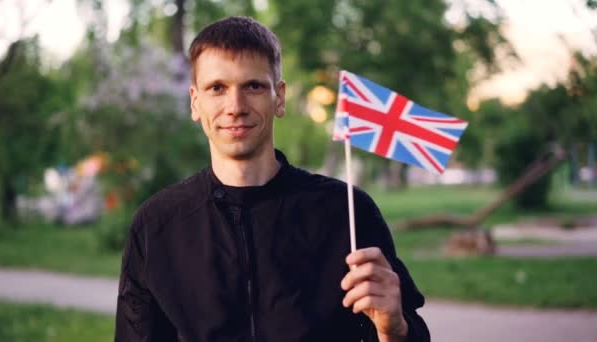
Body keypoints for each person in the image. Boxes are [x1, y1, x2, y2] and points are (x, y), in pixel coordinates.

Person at [115, 16, 430, 342]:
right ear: (196, 102)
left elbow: (411, 334)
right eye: (217, 88)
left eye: (253, 86)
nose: (235, 107)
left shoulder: (348, 212)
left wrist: (394, 329)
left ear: (279, 97)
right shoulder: (157, 225)